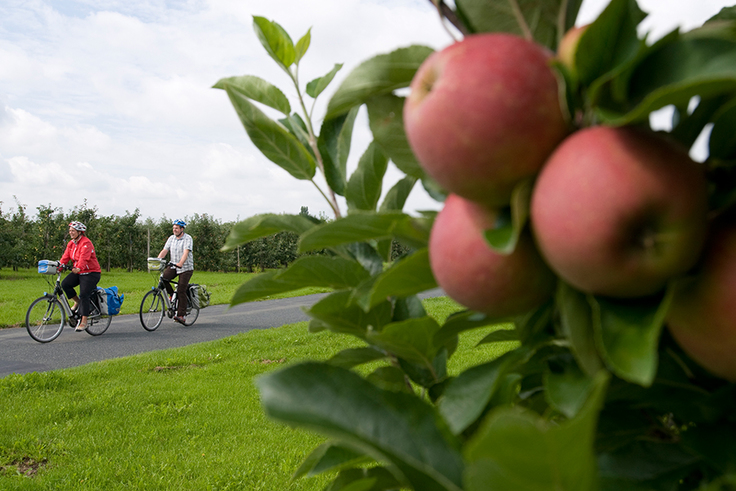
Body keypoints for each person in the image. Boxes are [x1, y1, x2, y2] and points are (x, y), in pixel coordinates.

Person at [60, 221, 102, 331]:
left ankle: (84, 321)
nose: (70, 232)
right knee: (65, 284)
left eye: (73, 231)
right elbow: (65, 257)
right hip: (79, 272)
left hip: (91, 272)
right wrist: (59, 267)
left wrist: (78, 267)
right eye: (69, 231)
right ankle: (77, 301)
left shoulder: (86, 243)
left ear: (79, 232)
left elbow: (84, 258)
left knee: (84, 294)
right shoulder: (71, 243)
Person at [157, 219, 194, 324]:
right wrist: (157, 261)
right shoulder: (171, 238)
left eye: (176, 228)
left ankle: (181, 315)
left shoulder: (188, 238)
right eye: (173, 228)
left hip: (185, 268)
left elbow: (186, 252)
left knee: (181, 289)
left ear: (182, 229)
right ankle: (171, 294)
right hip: (173, 265)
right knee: (164, 279)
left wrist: (181, 263)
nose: (174, 230)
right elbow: (165, 250)